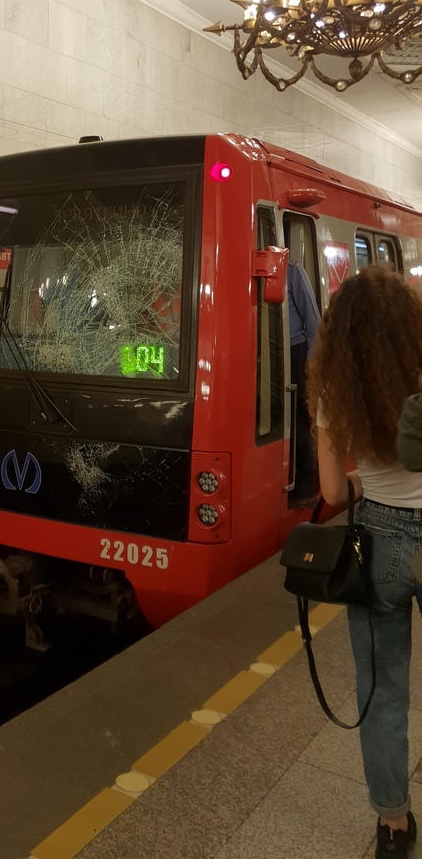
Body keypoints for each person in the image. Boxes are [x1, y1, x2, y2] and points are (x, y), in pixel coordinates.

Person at [306, 264, 422, 859]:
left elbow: (331, 492)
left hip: (381, 544)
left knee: (382, 689)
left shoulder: (336, 392)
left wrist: (363, 479)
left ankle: (393, 826)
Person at [288, 259, 321, 506]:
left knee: (300, 419)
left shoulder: (292, 270)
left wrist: (310, 362)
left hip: (295, 351)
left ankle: (307, 485)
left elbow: (313, 321)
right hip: (266, 351)